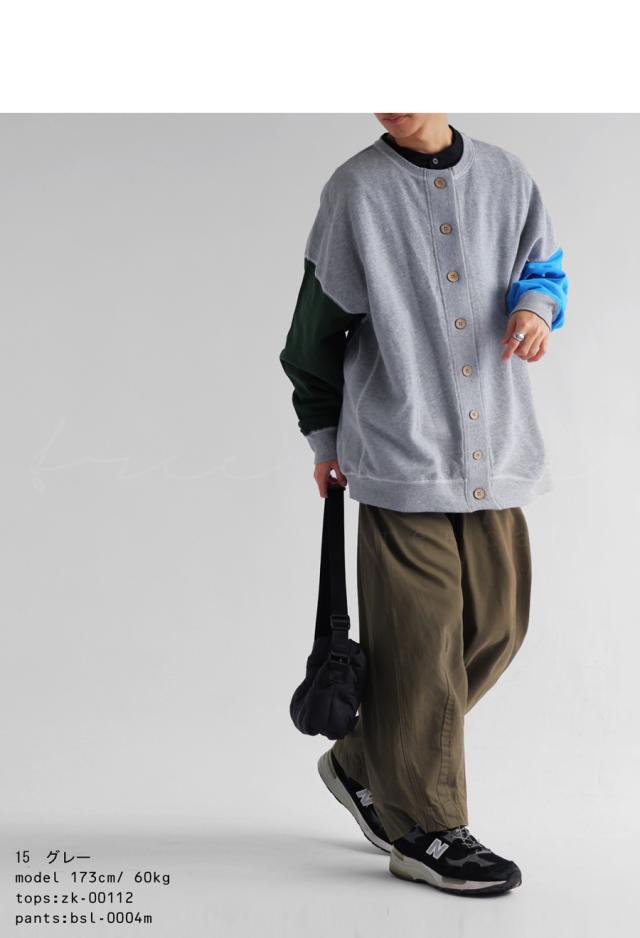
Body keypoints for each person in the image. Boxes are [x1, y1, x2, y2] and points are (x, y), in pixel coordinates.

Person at [278, 113, 568, 897]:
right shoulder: (355, 192)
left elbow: (545, 269)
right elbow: (313, 336)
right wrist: (324, 437)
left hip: (497, 455)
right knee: (422, 644)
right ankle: (425, 830)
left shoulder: (508, 177)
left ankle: (363, 761)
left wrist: (536, 310)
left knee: (497, 628)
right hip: (398, 457)